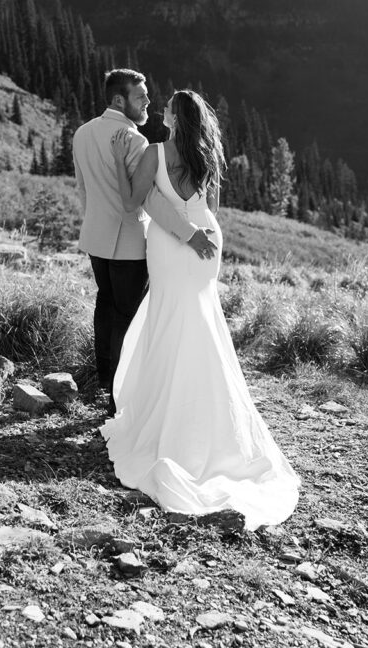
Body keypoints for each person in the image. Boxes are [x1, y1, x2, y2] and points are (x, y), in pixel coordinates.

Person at [101, 89, 300, 530]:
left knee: (169, 317)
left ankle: (170, 414)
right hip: (208, 242)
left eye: (166, 108)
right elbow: (205, 209)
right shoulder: (204, 154)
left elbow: (134, 202)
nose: (161, 112)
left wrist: (120, 162)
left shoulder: (155, 152)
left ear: (173, 116)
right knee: (200, 321)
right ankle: (206, 413)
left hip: (172, 246)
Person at [72, 69, 218, 415]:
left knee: (104, 306)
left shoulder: (82, 133)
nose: (148, 104)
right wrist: (188, 234)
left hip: (96, 237)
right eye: (141, 97)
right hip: (129, 242)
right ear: (119, 100)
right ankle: (118, 396)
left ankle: (106, 379)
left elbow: (83, 188)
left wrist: (94, 222)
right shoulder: (134, 140)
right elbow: (150, 201)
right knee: (127, 316)